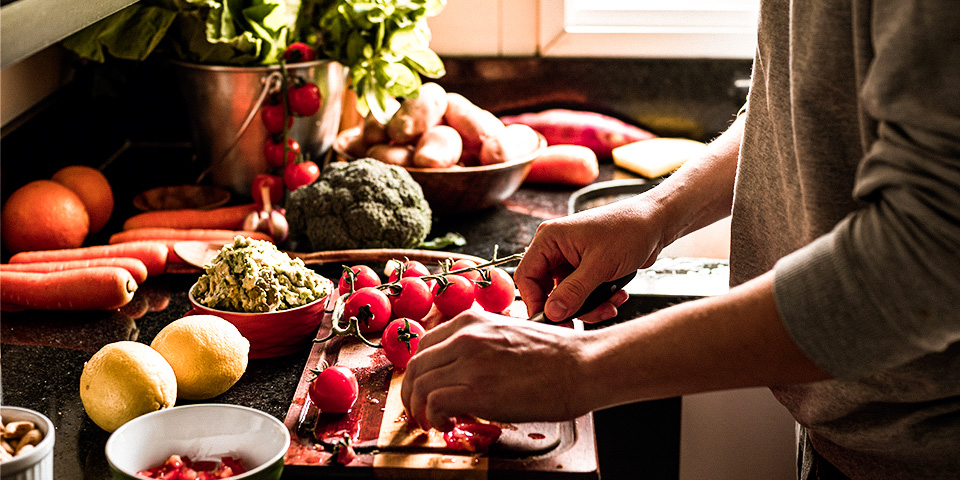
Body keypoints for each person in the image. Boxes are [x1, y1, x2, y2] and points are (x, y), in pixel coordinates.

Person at [401, 1, 960, 478]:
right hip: (848, 429)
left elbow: (929, 253)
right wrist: (655, 213)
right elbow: (800, 105)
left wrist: (582, 365)